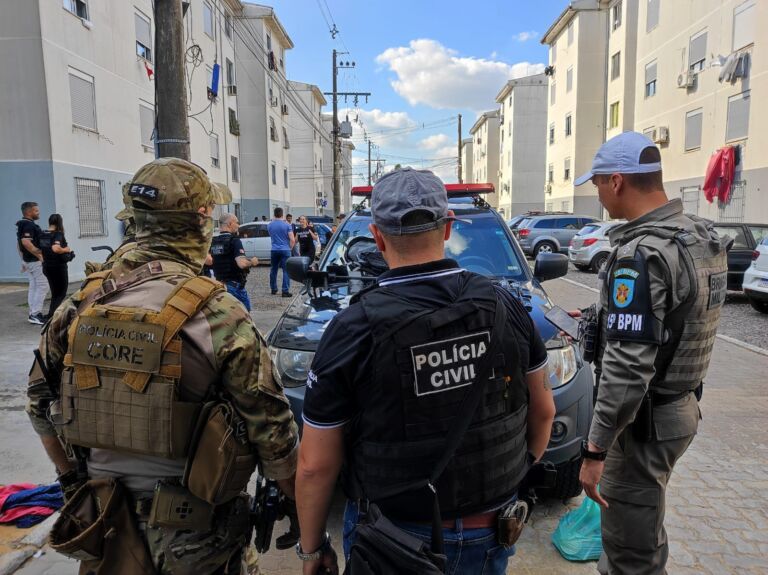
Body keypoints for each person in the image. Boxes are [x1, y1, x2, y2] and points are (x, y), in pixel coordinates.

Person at [26, 158, 299, 574]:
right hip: (195, 536)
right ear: (199, 223)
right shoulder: (218, 312)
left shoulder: (82, 302)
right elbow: (272, 432)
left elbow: (39, 404)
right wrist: (298, 505)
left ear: (134, 223)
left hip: (104, 525)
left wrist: (72, 482)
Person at [295, 168, 555, 575]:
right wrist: (507, 480)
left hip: (390, 542)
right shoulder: (506, 307)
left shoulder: (352, 327)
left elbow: (314, 464)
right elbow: (544, 412)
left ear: (378, 236)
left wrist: (312, 550)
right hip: (490, 532)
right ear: (448, 227)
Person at [574, 132, 730, 575]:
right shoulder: (696, 234)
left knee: (630, 557)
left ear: (617, 181)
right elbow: (677, 317)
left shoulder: (640, 254)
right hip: (680, 407)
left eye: (598, 183)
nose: (598, 194)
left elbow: (625, 371)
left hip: (641, 426)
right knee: (643, 528)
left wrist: (595, 450)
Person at [209, 212, 259, 311]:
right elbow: (242, 264)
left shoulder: (213, 242)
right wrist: (252, 262)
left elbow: (209, 262)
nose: (238, 225)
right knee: (245, 314)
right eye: (237, 222)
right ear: (230, 224)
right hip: (234, 286)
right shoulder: (234, 241)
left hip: (220, 285)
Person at [16, 201, 48, 325]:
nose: (38, 212)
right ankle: (35, 314)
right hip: (34, 262)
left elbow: (19, 244)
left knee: (34, 286)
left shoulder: (23, 224)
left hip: (28, 261)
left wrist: (23, 260)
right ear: (29, 212)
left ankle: (33, 313)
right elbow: (25, 243)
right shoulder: (28, 225)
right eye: (36, 210)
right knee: (43, 285)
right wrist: (39, 255)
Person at [39, 214, 73, 317]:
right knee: (61, 293)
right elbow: (56, 248)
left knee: (55, 293)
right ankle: (53, 316)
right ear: (59, 222)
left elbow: (39, 250)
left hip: (47, 267)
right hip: (58, 267)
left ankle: (50, 314)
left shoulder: (42, 234)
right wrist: (66, 249)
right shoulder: (58, 234)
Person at [268, 207, 295, 297]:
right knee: (286, 271)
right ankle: (285, 291)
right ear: (282, 214)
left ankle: (273, 288)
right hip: (285, 249)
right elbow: (292, 239)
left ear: (274, 214)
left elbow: (272, 236)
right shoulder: (287, 225)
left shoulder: (270, 225)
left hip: (274, 249)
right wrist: (290, 248)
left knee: (273, 269)